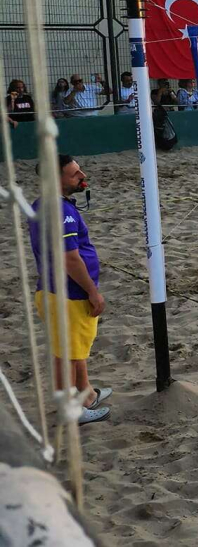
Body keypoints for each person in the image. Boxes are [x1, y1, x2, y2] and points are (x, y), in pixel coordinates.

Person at [30, 154, 110, 423]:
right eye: (75, 173)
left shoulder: (47, 203)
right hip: (67, 294)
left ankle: (86, 394)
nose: (82, 176)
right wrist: (92, 291)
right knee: (66, 355)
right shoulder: (59, 210)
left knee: (75, 350)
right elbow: (69, 258)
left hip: (58, 291)